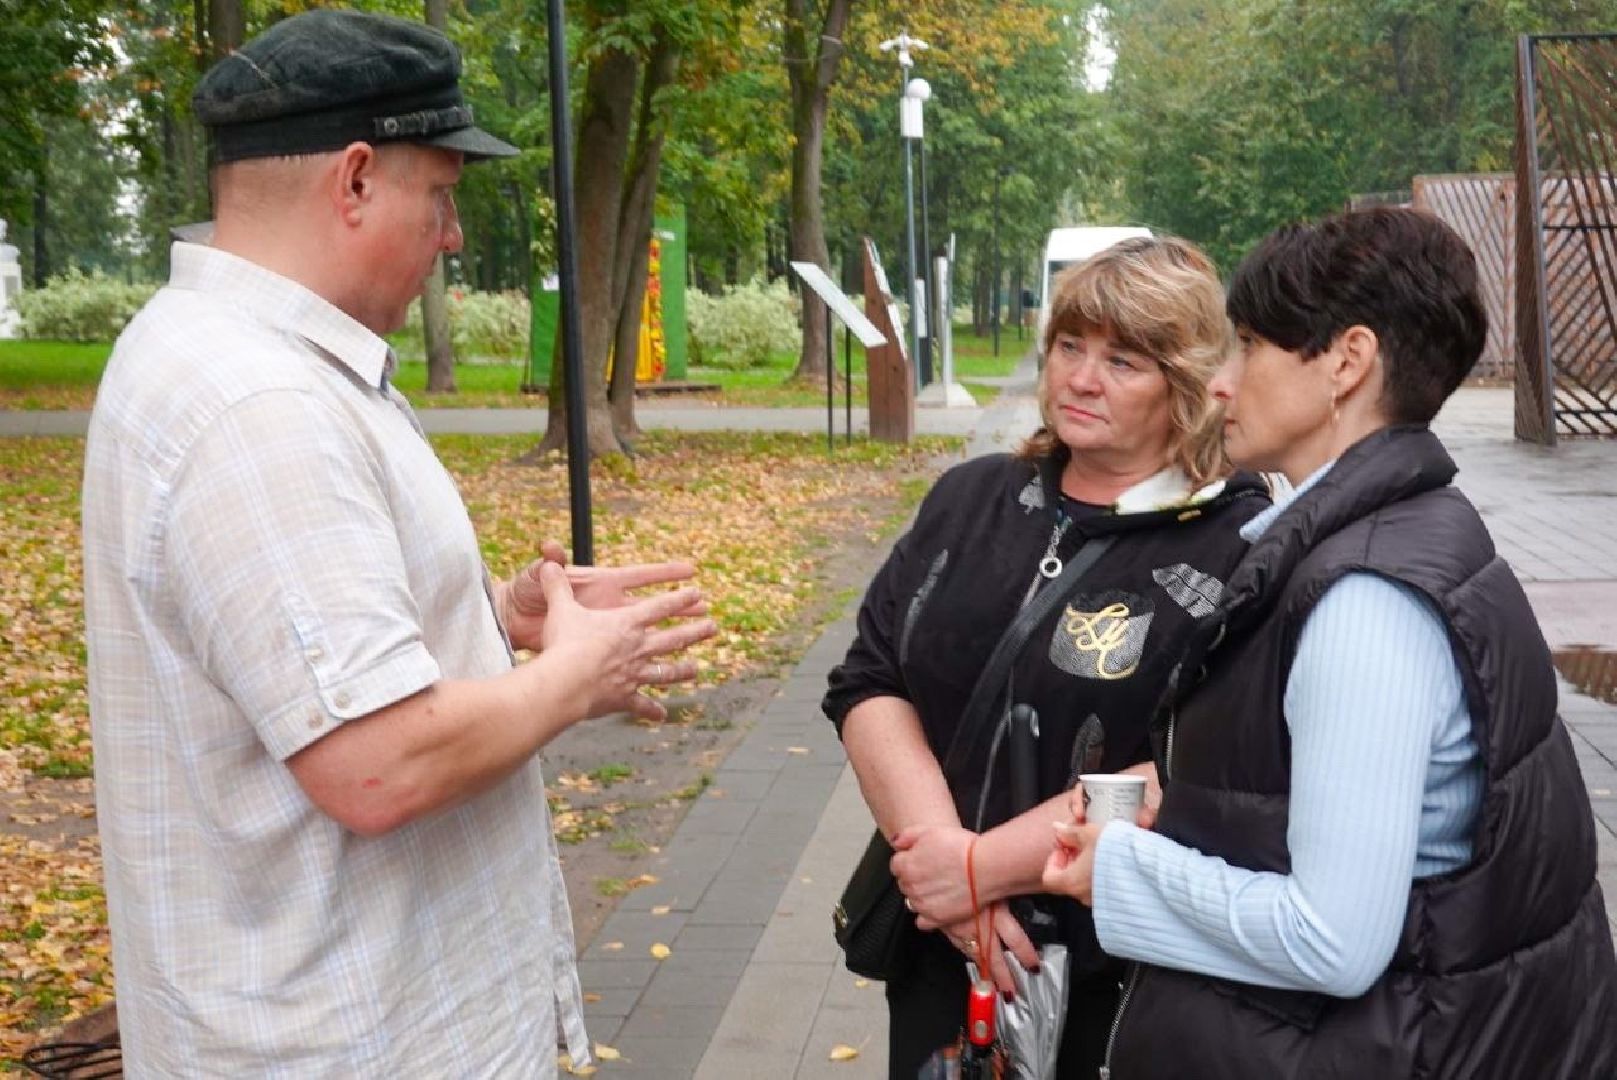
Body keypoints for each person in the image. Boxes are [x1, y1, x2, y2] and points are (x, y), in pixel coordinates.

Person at [80, 10, 715, 1076]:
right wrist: (575, 675)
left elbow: (305, 661)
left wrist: (488, 622)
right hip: (348, 1039)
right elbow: (376, 763)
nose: (455, 236)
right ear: (358, 180)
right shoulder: (256, 404)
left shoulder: (253, 358)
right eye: (444, 195)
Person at [1042, 208, 1617, 1078]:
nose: (1222, 383)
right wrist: (1191, 812)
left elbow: (1331, 940)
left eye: (1245, 347)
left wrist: (1119, 869)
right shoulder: (1408, 528)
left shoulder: (1362, 600)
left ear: (1345, 362)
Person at [822, 236, 1270, 1079]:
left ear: (1184, 388)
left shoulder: (1236, 548)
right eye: (1070, 346)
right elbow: (870, 678)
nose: (1081, 378)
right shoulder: (973, 499)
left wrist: (982, 868)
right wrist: (948, 871)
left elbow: (1205, 763)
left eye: (1123, 360)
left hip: (1117, 972)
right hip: (937, 946)